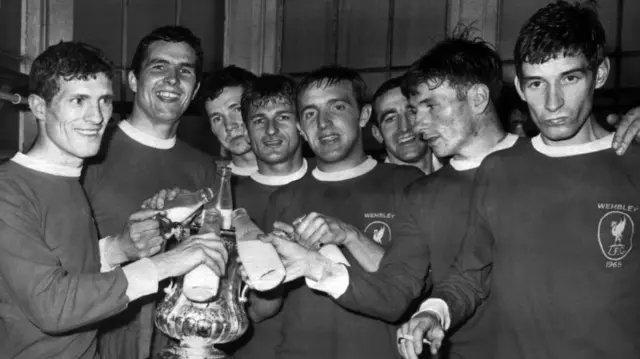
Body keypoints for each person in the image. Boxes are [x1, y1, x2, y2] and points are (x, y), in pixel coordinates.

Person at [400, 2, 640, 358]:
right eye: (537, 83)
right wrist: (433, 312)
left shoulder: (633, 161)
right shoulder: (499, 169)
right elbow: (471, 273)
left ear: (600, 73)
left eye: (570, 78)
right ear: (521, 87)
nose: (553, 102)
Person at [0, 41, 227, 359]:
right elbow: (53, 307)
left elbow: (68, 266)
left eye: (104, 101)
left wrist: (118, 248)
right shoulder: (8, 189)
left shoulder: (67, 180)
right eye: (78, 101)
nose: (95, 117)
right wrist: (162, 265)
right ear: (39, 107)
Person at [254, 66, 423, 359]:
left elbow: (408, 289)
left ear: (363, 115)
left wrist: (348, 235)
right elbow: (260, 310)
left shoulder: (407, 184)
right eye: (310, 114)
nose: (323, 123)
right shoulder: (283, 198)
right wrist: (271, 269)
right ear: (300, 129)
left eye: (338, 107)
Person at [82, 26, 217, 359]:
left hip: (177, 344)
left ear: (195, 88)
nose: (172, 79)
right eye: (159, 67)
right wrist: (119, 248)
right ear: (132, 80)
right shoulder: (88, 151)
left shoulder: (207, 168)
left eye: (184, 71)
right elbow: (45, 261)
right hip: (96, 340)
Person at [371, 76, 441, 174]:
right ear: (377, 133)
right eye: (390, 119)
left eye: (412, 112)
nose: (404, 127)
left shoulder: (460, 178)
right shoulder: (370, 188)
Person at [201, 65, 258, 177]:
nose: (229, 125)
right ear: (212, 129)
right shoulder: (211, 183)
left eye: (237, 109)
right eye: (217, 118)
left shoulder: (295, 177)